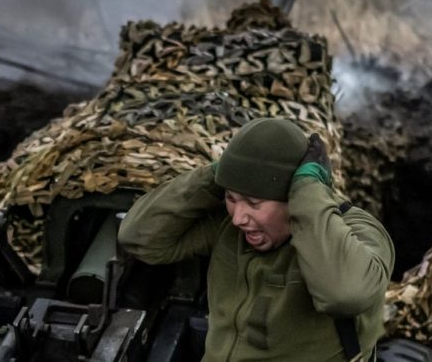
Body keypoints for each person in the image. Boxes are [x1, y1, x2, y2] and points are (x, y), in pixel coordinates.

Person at [118, 117, 394, 362]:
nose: (239, 217)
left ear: (292, 195)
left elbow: (344, 295)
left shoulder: (359, 231)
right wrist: (219, 174)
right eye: (231, 198)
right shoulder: (229, 227)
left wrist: (308, 193)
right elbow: (139, 238)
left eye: (254, 202)